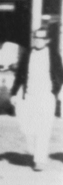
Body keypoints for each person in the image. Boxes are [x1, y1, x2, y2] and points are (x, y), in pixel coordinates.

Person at [10, 23, 63, 171]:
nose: (38, 41)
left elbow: (60, 74)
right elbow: (20, 75)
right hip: (29, 96)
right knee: (28, 127)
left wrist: (54, 90)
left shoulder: (53, 55)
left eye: (41, 38)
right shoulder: (27, 54)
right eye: (36, 38)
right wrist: (14, 93)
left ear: (47, 40)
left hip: (46, 96)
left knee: (44, 127)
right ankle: (34, 151)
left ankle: (40, 159)